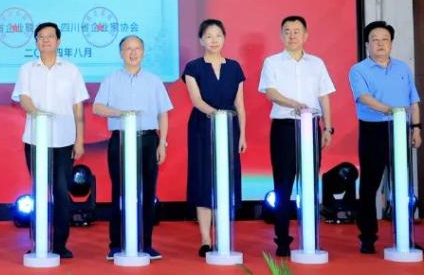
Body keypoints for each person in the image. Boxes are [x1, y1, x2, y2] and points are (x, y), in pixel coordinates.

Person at [258, 15, 335, 257]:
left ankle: (310, 238)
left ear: (305, 35)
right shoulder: (272, 62)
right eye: (287, 31)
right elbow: (270, 93)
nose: (292, 35)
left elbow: (324, 96)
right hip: (284, 127)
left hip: (311, 127)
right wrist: (295, 104)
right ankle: (282, 240)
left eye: (296, 31)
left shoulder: (317, 63)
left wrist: (328, 128)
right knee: (283, 186)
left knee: (310, 184)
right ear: (281, 35)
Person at [12, 22, 88, 259]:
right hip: (36, 140)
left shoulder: (71, 70)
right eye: (41, 37)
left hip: (64, 141)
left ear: (58, 41)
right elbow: (24, 98)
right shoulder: (27, 69)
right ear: (36, 42)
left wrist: (80, 139)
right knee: (39, 191)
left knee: (61, 192)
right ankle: (39, 242)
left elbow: (78, 107)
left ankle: (60, 244)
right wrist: (38, 114)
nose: (45, 40)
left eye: (50, 36)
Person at [94, 35, 172, 261]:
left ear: (143, 52)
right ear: (121, 53)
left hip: (148, 140)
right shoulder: (111, 79)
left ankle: (145, 243)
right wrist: (120, 113)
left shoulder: (154, 81)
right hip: (121, 139)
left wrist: (162, 143)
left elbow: (163, 113)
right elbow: (97, 107)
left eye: (137, 48)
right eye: (128, 49)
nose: (133, 52)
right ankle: (116, 244)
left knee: (148, 192)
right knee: (120, 191)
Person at [348, 20, 422, 254]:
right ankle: (368, 237)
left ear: (391, 43)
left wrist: (416, 127)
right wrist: (391, 110)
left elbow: (413, 101)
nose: (380, 44)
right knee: (370, 185)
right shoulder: (358, 70)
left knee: (402, 185)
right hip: (374, 131)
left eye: (385, 40)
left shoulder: (402, 68)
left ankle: (405, 236)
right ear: (367, 44)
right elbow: (364, 98)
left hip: (400, 129)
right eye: (375, 40)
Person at [183, 19, 247, 257]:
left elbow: (240, 104)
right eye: (208, 36)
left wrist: (243, 134)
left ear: (224, 38)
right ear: (201, 40)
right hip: (202, 128)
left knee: (225, 181)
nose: (214, 40)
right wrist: (217, 115)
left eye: (218, 35)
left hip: (230, 129)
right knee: (203, 181)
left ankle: (223, 237)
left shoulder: (235, 68)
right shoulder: (193, 67)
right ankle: (205, 239)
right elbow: (196, 101)